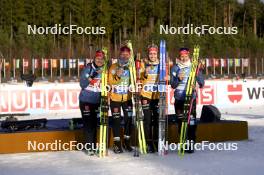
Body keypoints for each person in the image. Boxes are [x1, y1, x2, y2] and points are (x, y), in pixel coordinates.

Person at [170, 47, 204, 153]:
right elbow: (173, 85)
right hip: (179, 98)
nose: (184, 58)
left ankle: (191, 143)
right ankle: (183, 142)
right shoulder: (175, 68)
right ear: (179, 57)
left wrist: (197, 84)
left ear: (188, 56)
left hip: (191, 98)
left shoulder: (194, 66)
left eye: (185, 56)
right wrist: (178, 79)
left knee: (191, 122)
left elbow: (202, 82)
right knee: (181, 121)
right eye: (182, 56)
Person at [79, 50, 105, 155]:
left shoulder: (105, 70)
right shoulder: (88, 68)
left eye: (101, 59)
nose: (99, 60)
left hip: (97, 101)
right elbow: (82, 84)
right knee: (88, 124)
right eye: (97, 58)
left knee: (94, 124)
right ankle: (89, 147)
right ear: (94, 59)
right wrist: (93, 75)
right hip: (86, 100)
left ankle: (93, 146)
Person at [108, 46, 133, 153]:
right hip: (115, 98)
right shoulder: (113, 67)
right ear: (119, 55)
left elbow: (137, 79)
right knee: (116, 121)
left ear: (130, 55)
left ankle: (127, 142)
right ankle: (117, 144)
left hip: (127, 98)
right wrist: (117, 76)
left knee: (128, 120)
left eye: (127, 54)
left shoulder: (132, 67)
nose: (125, 56)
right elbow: (110, 82)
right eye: (123, 54)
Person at [140, 44, 160, 153]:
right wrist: (145, 74)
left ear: (157, 54)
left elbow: (166, 78)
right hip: (146, 95)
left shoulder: (161, 64)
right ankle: (148, 143)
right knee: (147, 119)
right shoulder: (144, 63)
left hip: (157, 96)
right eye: (150, 53)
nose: (152, 55)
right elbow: (139, 77)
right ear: (148, 54)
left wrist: (168, 77)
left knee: (157, 119)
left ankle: (156, 142)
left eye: (154, 53)